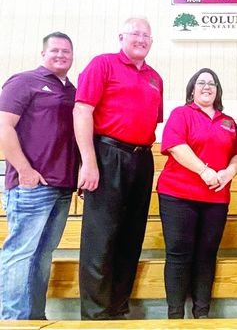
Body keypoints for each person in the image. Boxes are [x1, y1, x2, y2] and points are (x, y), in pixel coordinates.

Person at [73, 17, 163, 320]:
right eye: (135, 34)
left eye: (146, 35)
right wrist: (89, 161)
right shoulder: (102, 64)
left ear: (151, 42)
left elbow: (150, 120)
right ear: (121, 36)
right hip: (108, 153)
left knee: (130, 236)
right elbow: (82, 110)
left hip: (142, 158)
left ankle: (118, 309)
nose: (140, 39)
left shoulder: (155, 78)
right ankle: (96, 316)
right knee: (101, 237)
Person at [0, 32, 79, 319]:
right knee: (20, 253)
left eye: (66, 51)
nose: (61, 55)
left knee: (43, 257)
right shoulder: (23, 82)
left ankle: (35, 318)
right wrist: (25, 170)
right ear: (43, 53)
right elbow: (3, 126)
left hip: (62, 186)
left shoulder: (72, 91)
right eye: (55, 50)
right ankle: (12, 319)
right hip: (31, 186)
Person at [156, 68, 237, 319]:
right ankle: (175, 315)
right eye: (201, 83)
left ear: (217, 90)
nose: (207, 87)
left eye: (212, 83)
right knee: (179, 252)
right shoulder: (181, 114)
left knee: (207, 254)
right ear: (192, 89)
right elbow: (175, 146)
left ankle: (202, 314)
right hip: (178, 195)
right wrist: (204, 171)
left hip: (216, 198)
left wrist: (230, 171)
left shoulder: (228, 121)